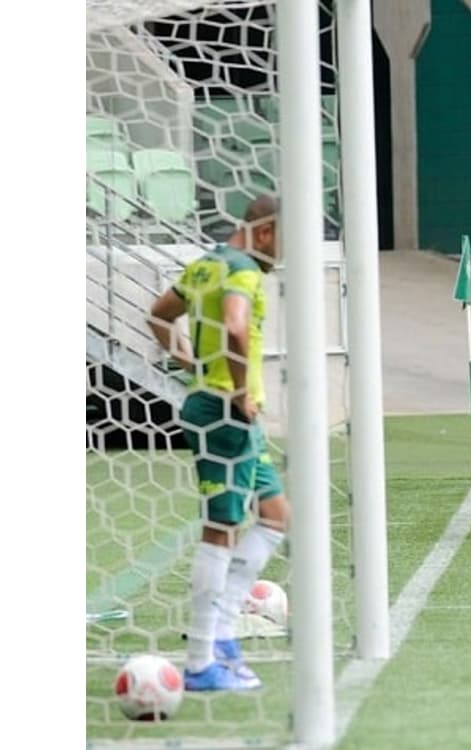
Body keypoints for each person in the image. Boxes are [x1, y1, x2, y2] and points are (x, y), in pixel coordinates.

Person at [147, 195, 286, 692]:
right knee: (222, 528)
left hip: (212, 401)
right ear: (266, 232)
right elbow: (233, 323)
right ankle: (202, 659)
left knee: (274, 515)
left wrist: (188, 362)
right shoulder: (244, 270)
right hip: (227, 408)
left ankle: (224, 631)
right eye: (283, 242)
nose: (282, 256)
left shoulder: (206, 264)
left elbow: (160, 315)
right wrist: (241, 389)